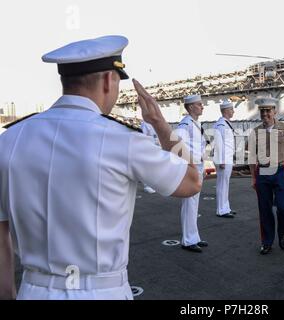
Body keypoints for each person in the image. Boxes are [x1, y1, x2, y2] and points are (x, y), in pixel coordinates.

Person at [0, 35, 201, 300]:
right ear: (109, 80)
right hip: (101, 291)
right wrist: (161, 125)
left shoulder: (9, 140)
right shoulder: (123, 140)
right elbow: (191, 181)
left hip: (33, 291)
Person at [249, 97, 284, 255]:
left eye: (268, 110)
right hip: (262, 173)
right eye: (262, 111)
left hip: (279, 171)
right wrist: (253, 178)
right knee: (264, 209)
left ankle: (283, 235)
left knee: (283, 208)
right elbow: (251, 156)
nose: (265, 113)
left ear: (274, 111)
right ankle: (267, 242)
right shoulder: (256, 132)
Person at [175, 95, 209, 253]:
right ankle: (188, 240)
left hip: (198, 166)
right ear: (190, 107)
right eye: (199, 104)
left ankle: (193, 236)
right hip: (190, 168)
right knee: (189, 204)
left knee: (194, 204)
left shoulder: (195, 124)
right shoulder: (185, 124)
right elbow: (178, 147)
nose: (202, 107)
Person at [213, 99, 236, 218]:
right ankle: (221, 210)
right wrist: (221, 160)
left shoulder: (226, 123)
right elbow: (218, 144)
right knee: (222, 184)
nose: (233, 111)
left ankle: (226, 207)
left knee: (225, 184)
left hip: (227, 158)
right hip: (223, 160)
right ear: (226, 111)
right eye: (231, 109)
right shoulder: (221, 125)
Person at [141, 121, 160, 194]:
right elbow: (143, 136)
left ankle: (153, 184)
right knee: (148, 167)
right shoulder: (145, 123)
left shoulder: (155, 122)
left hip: (156, 147)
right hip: (148, 147)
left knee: (155, 167)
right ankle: (147, 186)